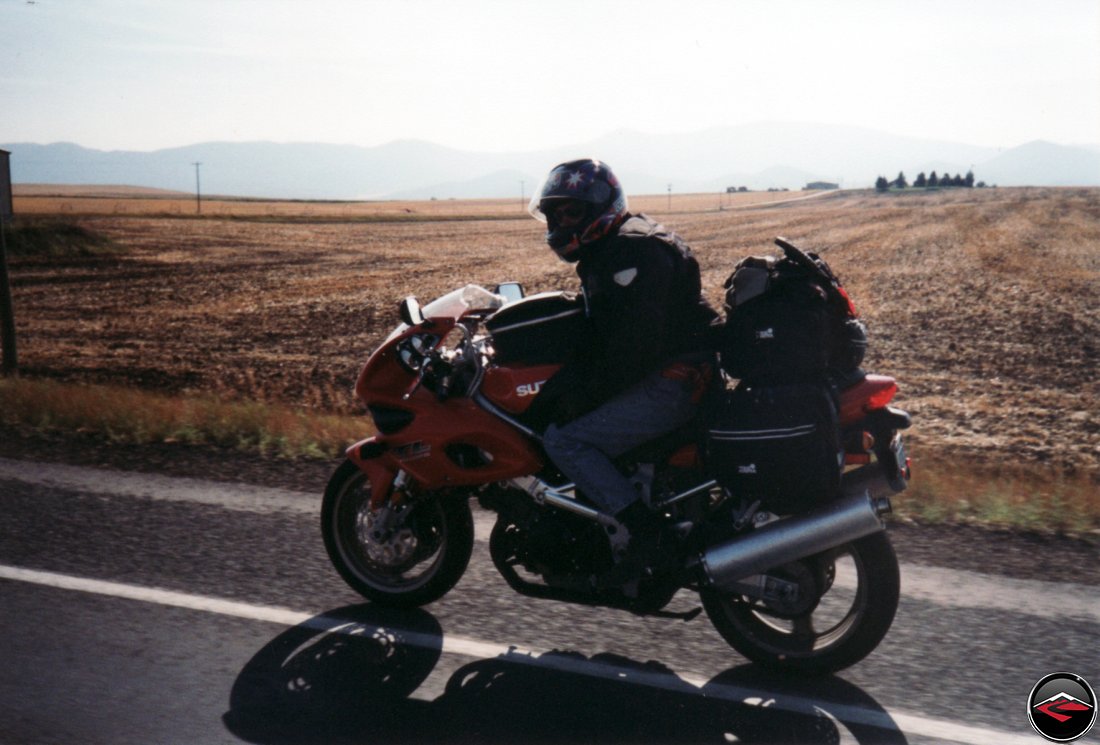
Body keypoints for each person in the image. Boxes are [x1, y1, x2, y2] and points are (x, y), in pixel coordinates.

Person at [527, 158, 719, 582]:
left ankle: (644, 531)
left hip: (675, 381)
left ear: (602, 207)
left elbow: (632, 352)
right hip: (683, 371)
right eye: (555, 214)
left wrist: (575, 396)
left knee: (565, 440)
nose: (561, 222)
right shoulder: (625, 244)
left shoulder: (630, 253)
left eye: (571, 212)